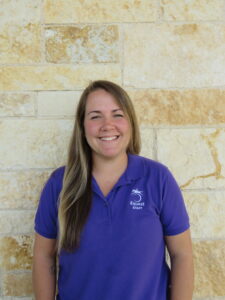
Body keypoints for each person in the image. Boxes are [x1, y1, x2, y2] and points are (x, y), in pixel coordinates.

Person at [32, 80, 194, 300]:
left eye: (117, 114)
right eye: (95, 116)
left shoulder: (158, 179)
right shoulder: (60, 183)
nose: (107, 125)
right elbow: (43, 256)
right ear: (82, 126)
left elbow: (182, 254)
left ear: (130, 123)